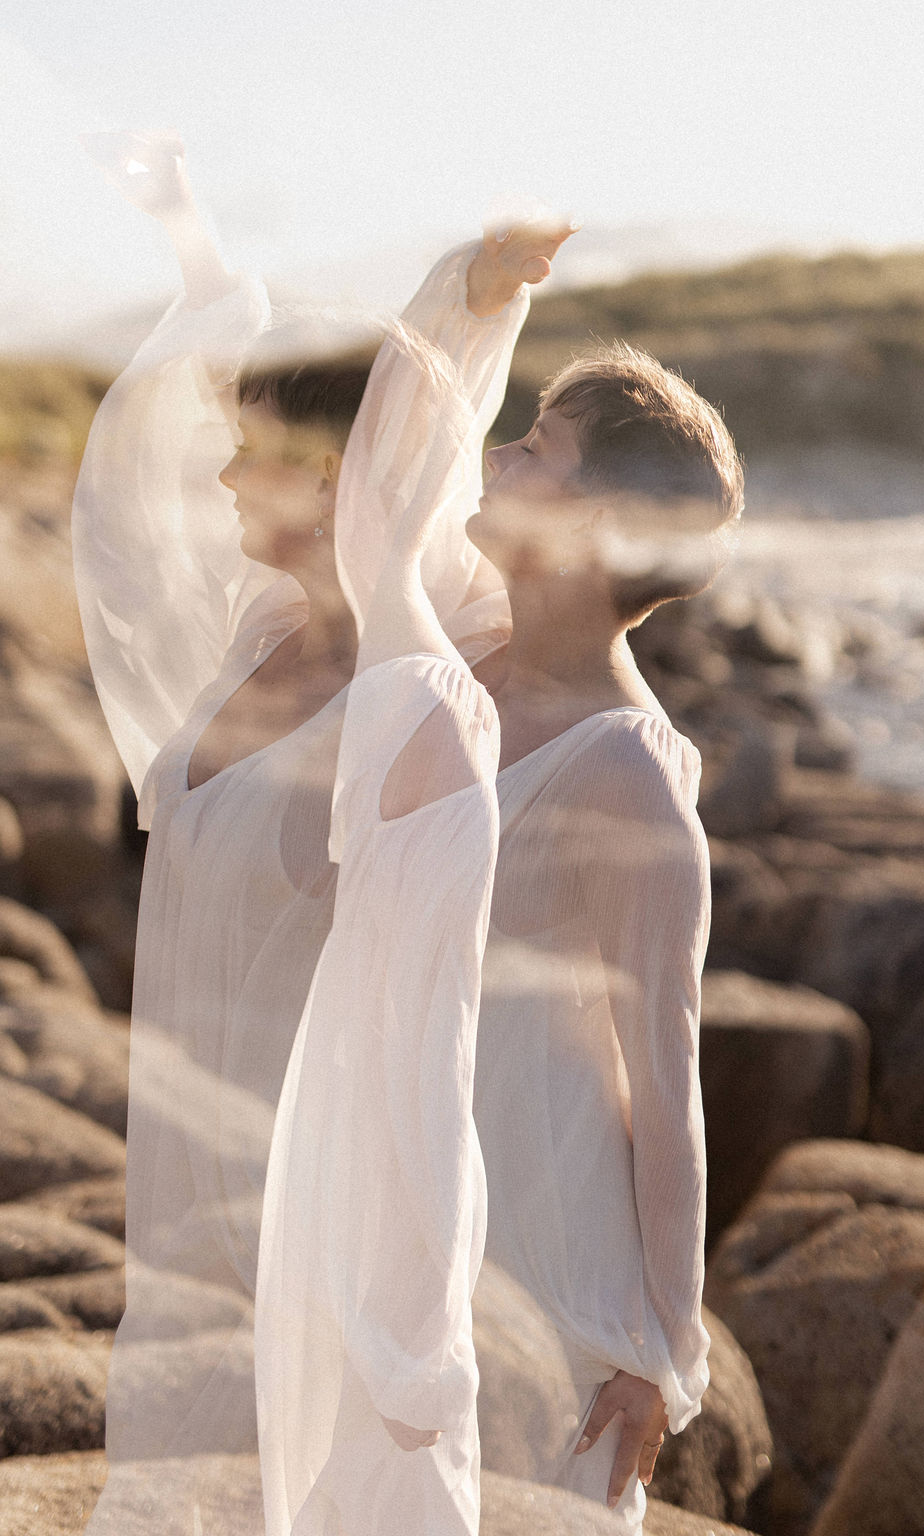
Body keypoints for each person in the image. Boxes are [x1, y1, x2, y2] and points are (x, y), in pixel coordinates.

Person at [72, 131, 571, 1535]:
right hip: (287, 1172)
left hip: (357, 1183)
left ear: (342, 477)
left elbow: (431, 1045)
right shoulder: (295, 635)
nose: (222, 485)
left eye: (252, 460)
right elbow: (330, 415)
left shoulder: (409, 681)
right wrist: (188, 230)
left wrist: (418, 1336)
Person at [464, 347, 743, 1529]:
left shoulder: (627, 775)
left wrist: (659, 1355)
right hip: (424, 1215)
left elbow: (664, 1079)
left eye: (534, 448)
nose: (493, 455)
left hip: (550, 1268)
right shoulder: (455, 677)